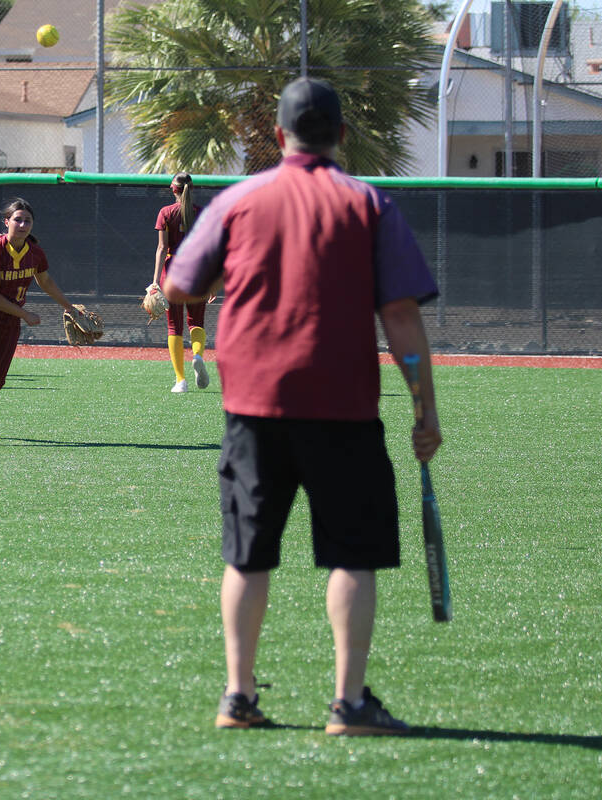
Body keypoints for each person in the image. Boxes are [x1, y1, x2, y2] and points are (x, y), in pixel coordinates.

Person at [163, 77, 442, 735]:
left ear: (279, 136)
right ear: (342, 135)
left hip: (255, 405)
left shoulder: (240, 199)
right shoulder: (369, 204)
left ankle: (238, 697)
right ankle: (348, 705)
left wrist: (245, 266)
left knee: (248, 554)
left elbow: (178, 284)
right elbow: (400, 316)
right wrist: (424, 408)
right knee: (352, 554)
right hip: (343, 407)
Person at [0, 198, 84, 448]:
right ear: (6, 222)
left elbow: (45, 281)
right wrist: (25, 315)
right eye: (17, 219)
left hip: (9, 319)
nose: (22, 224)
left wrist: (69, 306)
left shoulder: (34, 252)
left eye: (27, 221)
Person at [151, 172, 210, 394]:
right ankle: (197, 356)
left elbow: (162, 248)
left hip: (172, 273)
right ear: (192, 189)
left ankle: (180, 381)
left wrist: (155, 281)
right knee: (196, 322)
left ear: (172, 189)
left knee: (174, 327)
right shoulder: (202, 214)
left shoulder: (166, 213)